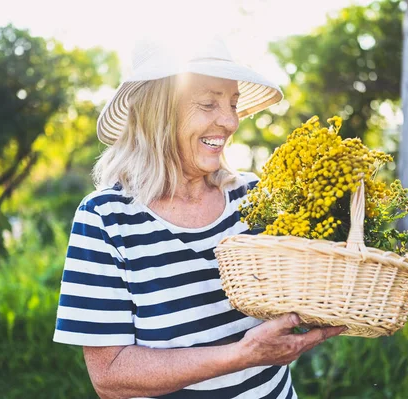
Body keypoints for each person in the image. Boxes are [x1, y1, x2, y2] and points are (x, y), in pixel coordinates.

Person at [53, 36, 346, 399]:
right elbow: (111, 376)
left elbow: (301, 290)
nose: (230, 121)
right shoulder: (105, 219)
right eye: (208, 103)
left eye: (234, 104)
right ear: (157, 113)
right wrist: (242, 355)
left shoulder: (253, 197)